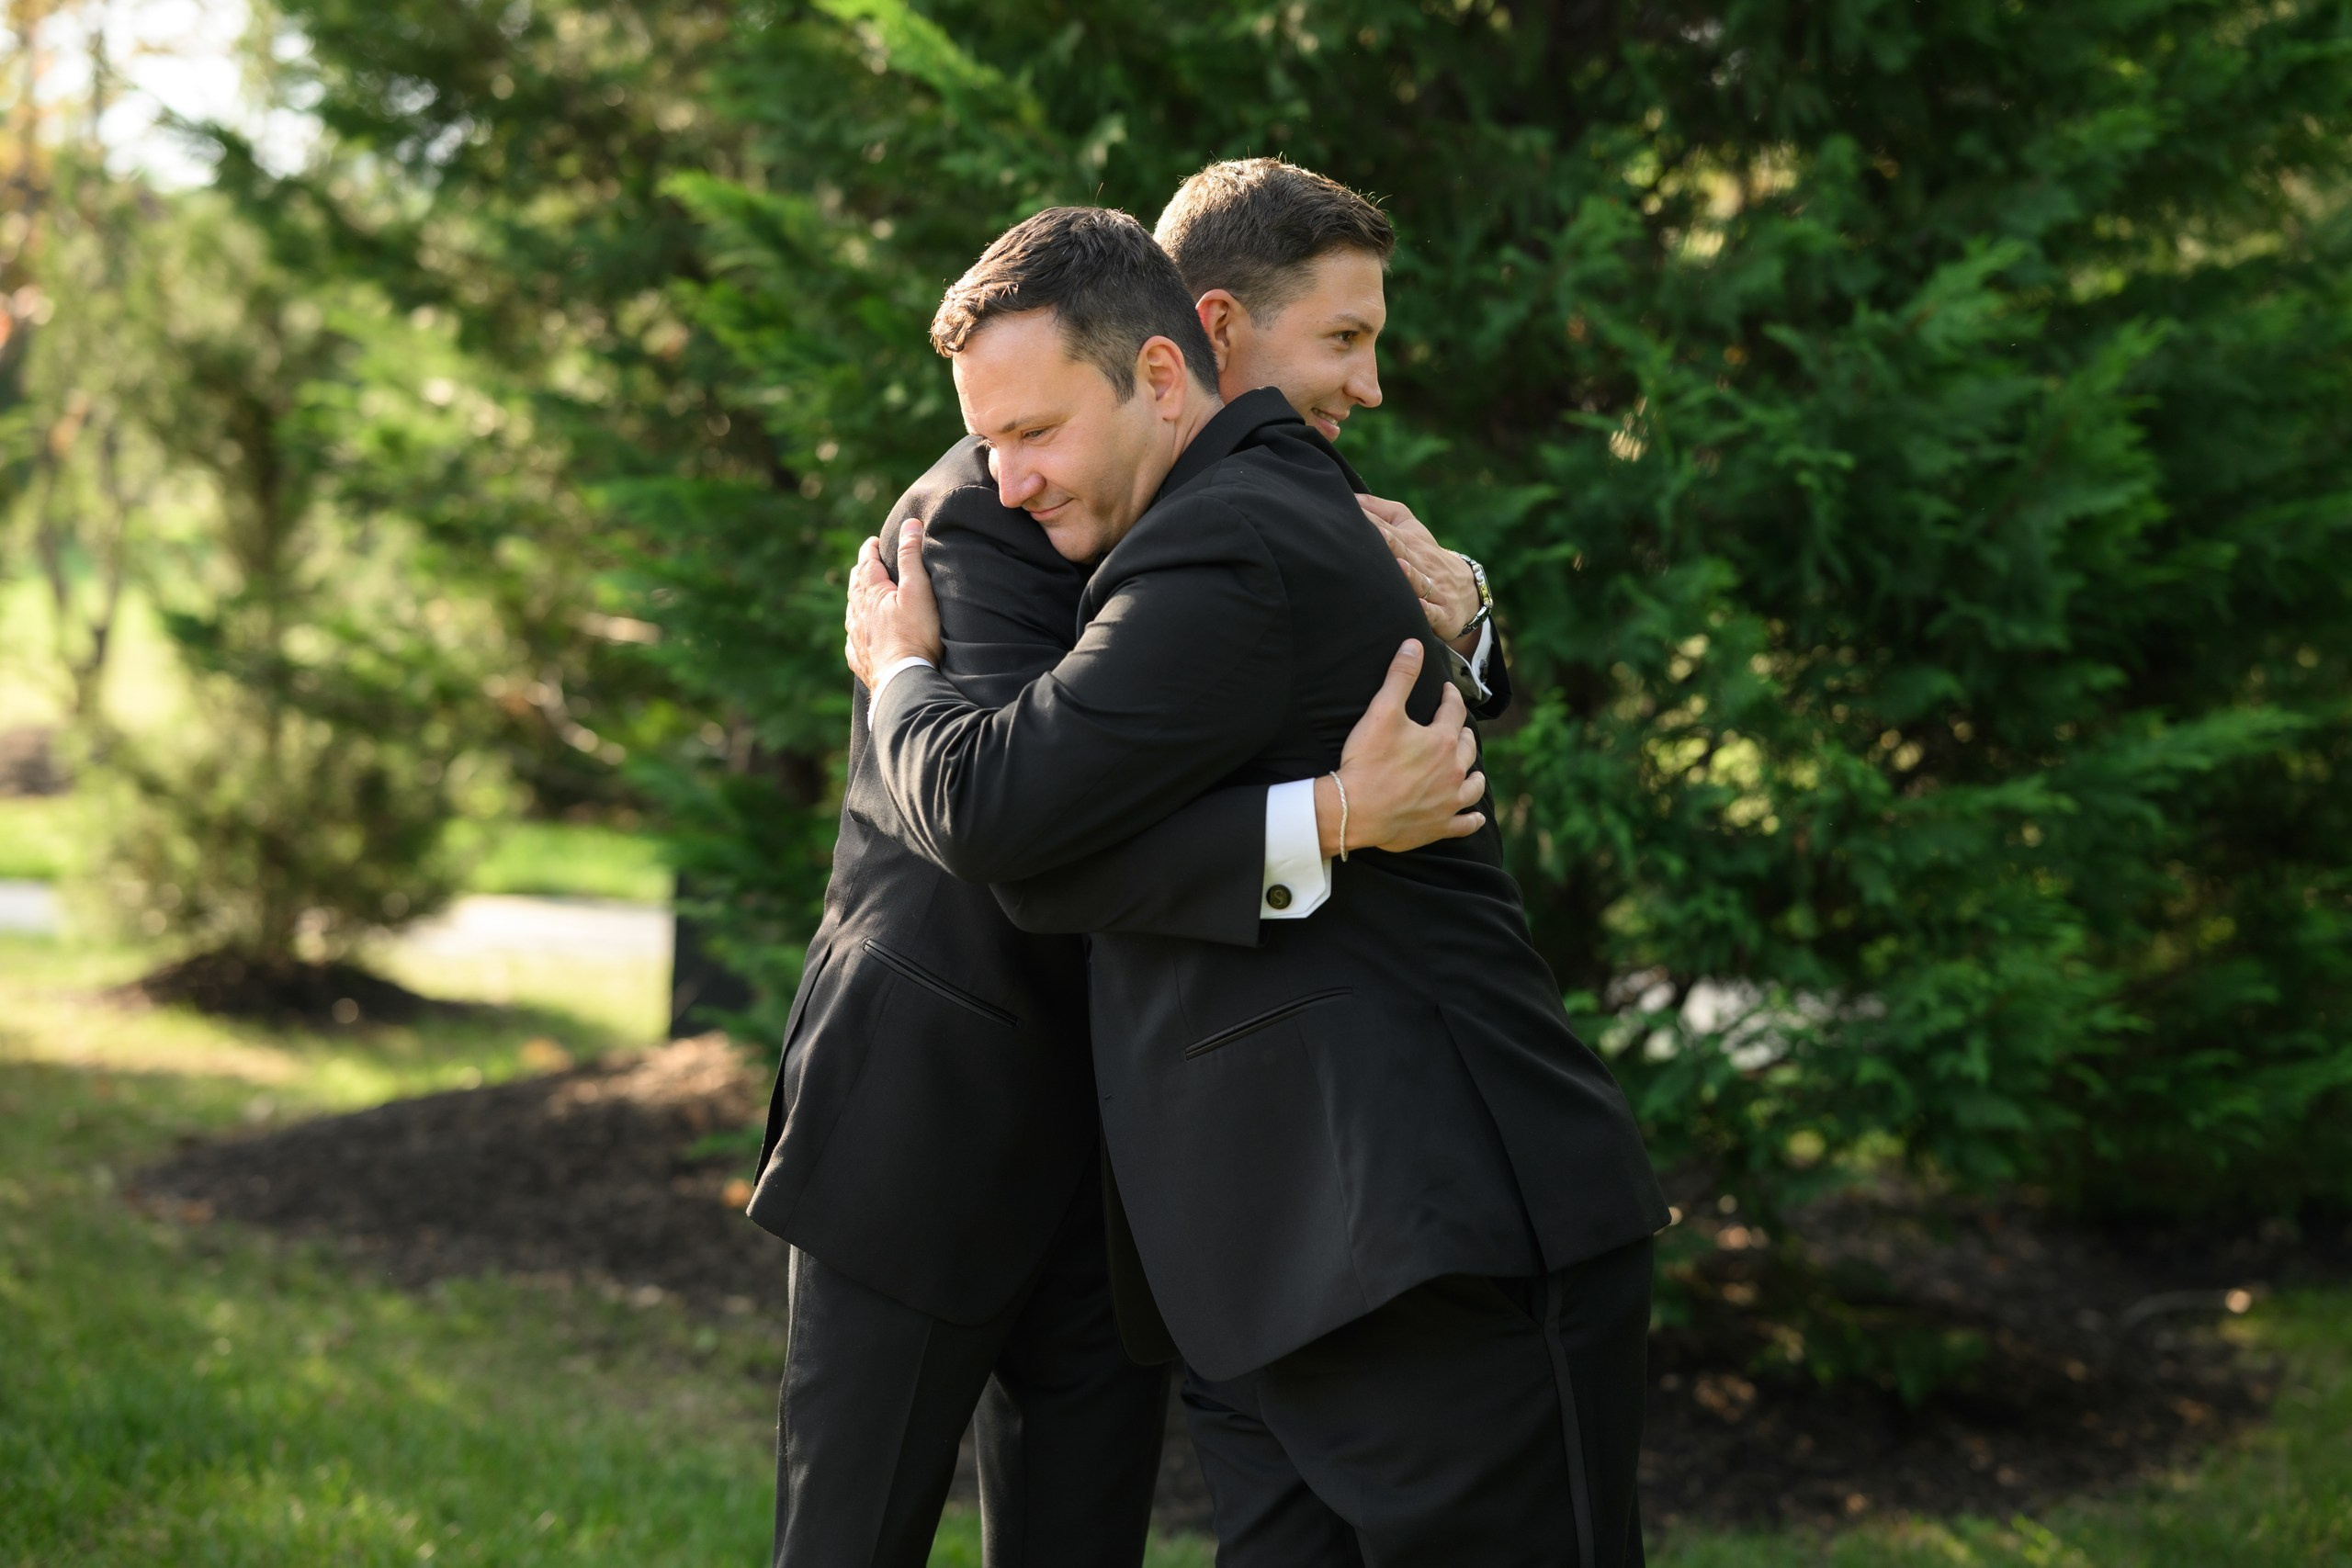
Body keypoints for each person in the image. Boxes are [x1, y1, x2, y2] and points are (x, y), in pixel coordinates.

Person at [844, 206, 1669, 1567]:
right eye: (991, 440)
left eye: (1036, 433)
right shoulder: (1186, 519)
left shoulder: (1230, 534)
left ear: (1167, 370)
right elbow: (1038, 865)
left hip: (1430, 1226)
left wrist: (903, 677)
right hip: (1282, 1259)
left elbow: (990, 807)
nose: (1007, 478)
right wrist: (1335, 815)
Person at [745, 176, 1500, 1567]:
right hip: (931, 1110)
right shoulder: (983, 518)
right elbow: (1011, 820)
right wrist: (1333, 815)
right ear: (1201, 339)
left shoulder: (1252, 501)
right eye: (1336, 342)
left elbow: (1364, 689)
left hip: (1132, 1149)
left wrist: (1472, 625)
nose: (1360, 387)